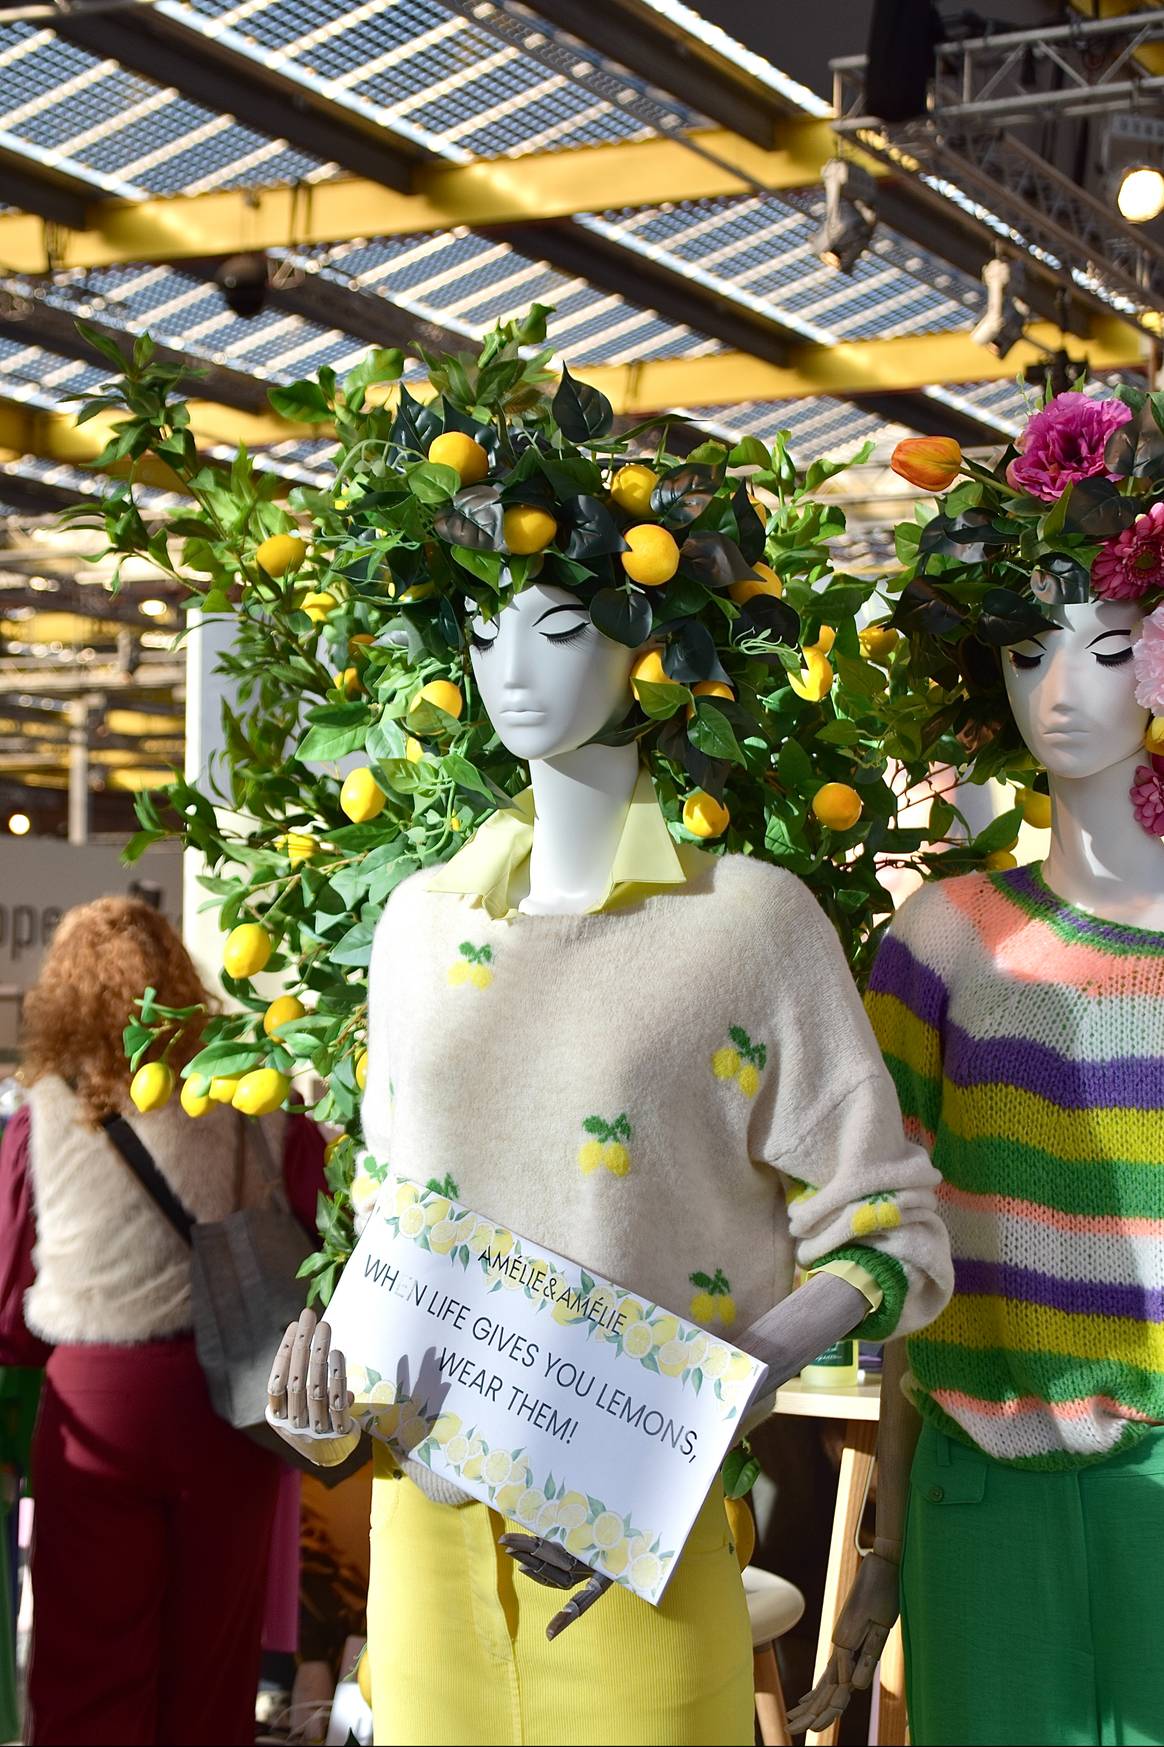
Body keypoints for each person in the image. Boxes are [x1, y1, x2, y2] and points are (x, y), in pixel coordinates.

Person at [267, 579, 953, 1747]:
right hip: (425, 1560)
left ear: (647, 642)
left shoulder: (749, 924)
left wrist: (682, 1413)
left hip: (638, 1551)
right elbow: (392, 1222)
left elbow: (893, 1236)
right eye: (484, 627)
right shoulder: (417, 928)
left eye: (562, 625)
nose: (513, 663)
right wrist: (324, 1408)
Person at [791, 395, 1164, 1746]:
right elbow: (900, 1251)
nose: (1061, 689)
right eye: (1023, 648)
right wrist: (881, 1555)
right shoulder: (941, 940)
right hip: (981, 1492)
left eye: (1109, 645)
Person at [0, 896, 326, 1747]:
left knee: (84, 1668)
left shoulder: (39, 1112)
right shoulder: (250, 1094)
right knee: (211, 1677)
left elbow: (8, 1301)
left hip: (97, 1399)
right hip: (230, 1401)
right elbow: (312, 1228)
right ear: (181, 983)